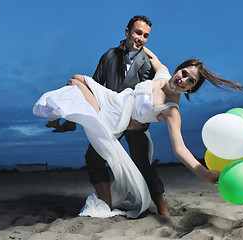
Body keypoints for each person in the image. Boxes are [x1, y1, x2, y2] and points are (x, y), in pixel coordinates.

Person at [33, 47, 243, 218]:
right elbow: (153, 56)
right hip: (116, 100)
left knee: (77, 87)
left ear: (190, 89)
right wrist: (131, 43)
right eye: (184, 73)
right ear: (178, 69)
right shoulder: (163, 75)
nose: (183, 80)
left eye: (190, 81)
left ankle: (87, 118)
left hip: (117, 118)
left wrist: (204, 173)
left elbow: (179, 148)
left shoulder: (171, 110)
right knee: (75, 79)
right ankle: (75, 120)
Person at [48, 15, 170, 216]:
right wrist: (72, 120)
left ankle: (163, 209)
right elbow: (92, 88)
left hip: (134, 121)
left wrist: (141, 125)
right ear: (127, 32)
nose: (141, 38)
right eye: (138, 32)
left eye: (146, 36)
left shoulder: (147, 64)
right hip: (111, 116)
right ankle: (105, 203)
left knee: (142, 163)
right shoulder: (109, 56)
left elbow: (151, 98)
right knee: (93, 157)